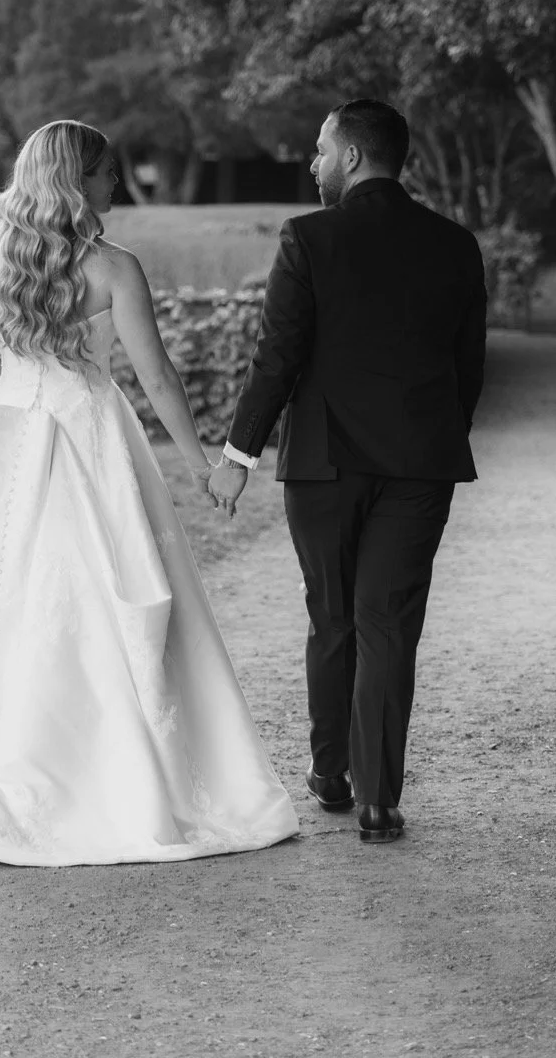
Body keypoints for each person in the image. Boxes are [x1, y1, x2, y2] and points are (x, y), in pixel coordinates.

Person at [0, 119, 298, 866]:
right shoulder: (115, 267)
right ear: (75, 179)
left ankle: (0, 781)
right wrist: (200, 463)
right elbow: (155, 377)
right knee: (101, 597)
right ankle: (113, 778)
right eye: (104, 173)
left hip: (5, 444)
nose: (114, 184)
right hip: (93, 437)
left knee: (9, 608)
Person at [209, 99, 487, 843]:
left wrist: (239, 455)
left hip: (323, 465)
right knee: (387, 625)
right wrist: (430, 439)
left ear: (354, 157)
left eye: (321, 150)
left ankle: (330, 771)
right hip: (419, 466)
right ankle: (377, 800)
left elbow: (279, 355)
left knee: (333, 619)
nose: (312, 162)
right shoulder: (456, 245)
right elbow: (469, 370)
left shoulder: (308, 238)